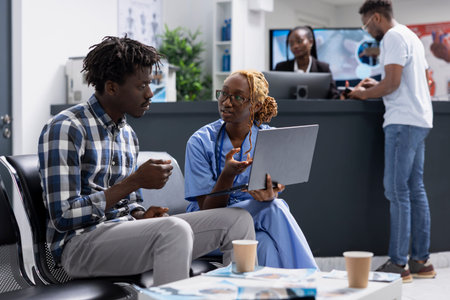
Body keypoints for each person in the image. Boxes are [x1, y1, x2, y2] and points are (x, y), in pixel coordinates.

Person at [38, 36, 255, 286]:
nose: (150, 94)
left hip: (123, 235)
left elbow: (130, 205)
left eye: (149, 84)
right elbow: (63, 215)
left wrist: (143, 215)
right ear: (111, 87)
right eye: (142, 86)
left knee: (237, 220)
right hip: (78, 246)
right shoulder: (66, 128)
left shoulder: (127, 134)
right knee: (175, 230)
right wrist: (134, 182)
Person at [184, 69, 317, 269]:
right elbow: (207, 210)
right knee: (275, 208)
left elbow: (272, 190)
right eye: (224, 94)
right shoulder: (200, 142)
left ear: (255, 105)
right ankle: (312, 280)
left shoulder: (270, 139)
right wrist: (227, 175)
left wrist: (270, 193)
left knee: (264, 245)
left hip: (251, 225)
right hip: (208, 229)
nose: (226, 102)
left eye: (237, 97)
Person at [348, 0, 436, 282]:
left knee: (397, 191)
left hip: (402, 122)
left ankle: (399, 264)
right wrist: (381, 85)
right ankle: (422, 262)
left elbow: (393, 84)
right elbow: (409, 79)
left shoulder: (392, 37)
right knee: (414, 189)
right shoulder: (410, 36)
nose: (368, 30)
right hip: (420, 119)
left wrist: (362, 93)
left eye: (366, 24)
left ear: (376, 18)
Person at [275, 26, 340, 99]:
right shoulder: (281, 68)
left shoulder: (323, 68)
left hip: (317, 109)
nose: (295, 46)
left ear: (311, 42)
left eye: (299, 41)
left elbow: (334, 96)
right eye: (291, 43)